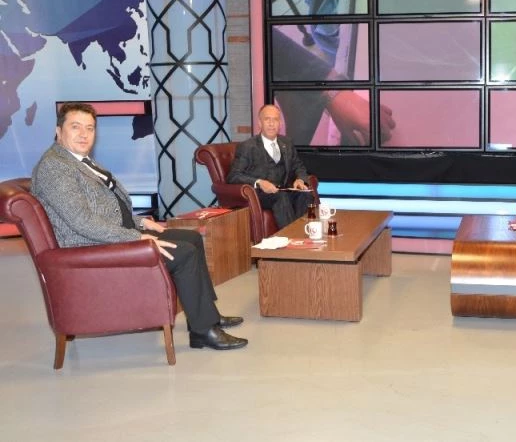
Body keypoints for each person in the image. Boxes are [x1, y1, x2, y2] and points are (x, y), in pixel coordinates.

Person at [31, 103, 247, 350]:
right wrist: (136, 237)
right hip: (91, 247)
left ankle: (207, 315)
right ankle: (204, 331)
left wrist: (140, 222)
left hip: (108, 235)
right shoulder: (55, 167)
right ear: (58, 131)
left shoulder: (78, 160)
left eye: (90, 128)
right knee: (184, 253)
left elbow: (105, 209)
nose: (84, 134)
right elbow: (82, 221)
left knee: (193, 239)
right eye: (75, 127)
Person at [227, 104, 313, 229]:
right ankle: (291, 235)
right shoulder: (248, 147)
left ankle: (303, 232)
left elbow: (298, 166)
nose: (271, 124)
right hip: (260, 194)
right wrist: (259, 182)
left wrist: (300, 179)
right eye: (267, 119)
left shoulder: (287, 143)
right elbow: (233, 176)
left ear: (280, 124)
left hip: (283, 189)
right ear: (260, 123)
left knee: (305, 194)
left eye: (275, 120)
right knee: (280, 197)